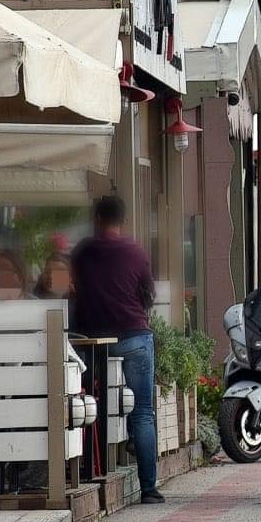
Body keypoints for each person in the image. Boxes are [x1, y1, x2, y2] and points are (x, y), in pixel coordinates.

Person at [72, 195, 162, 501]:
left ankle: (92, 469)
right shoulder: (135, 252)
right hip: (135, 336)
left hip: (93, 341)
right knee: (143, 413)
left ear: (97, 219)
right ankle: (149, 489)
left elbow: (75, 289)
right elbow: (149, 293)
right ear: (122, 221)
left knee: (93, 405)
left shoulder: (84, 252)